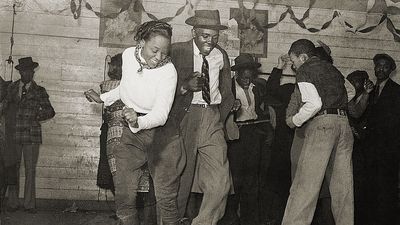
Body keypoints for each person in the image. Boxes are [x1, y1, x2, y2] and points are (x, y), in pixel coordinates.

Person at [84, 21, 182, 225]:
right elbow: (127, 87)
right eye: (155, 50)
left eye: (164, 52)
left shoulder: (169, 71)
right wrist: (103, 98)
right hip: (133, 133)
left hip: (163, 135)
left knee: (166, 198)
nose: (159, 57)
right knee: (124, 195)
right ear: (141, 42)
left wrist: (137, 121)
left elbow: (161, 115)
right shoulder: (129, 56)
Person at [168, 10, 238, 225]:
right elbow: (159, 86)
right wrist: (184, 86)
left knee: (221, 181)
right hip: (184, 117)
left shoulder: (221, 55)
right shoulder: (177, 51)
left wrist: (229, 107)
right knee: (181, 177)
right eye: (205, 36)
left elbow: (226, 88)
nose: (210, 41)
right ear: (193, 32)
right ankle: (172, 221)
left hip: (212, 116)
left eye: (215, 37)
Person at [282, 39, 354, 225]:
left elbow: (314, 104)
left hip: (323, 126)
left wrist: (294, 120)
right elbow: (351, 92)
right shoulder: (333, 69)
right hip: (344, 125)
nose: (293, 66)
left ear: (303, 57)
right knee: (342, 189)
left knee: (304, 185)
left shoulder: (306, 69)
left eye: (293, 61)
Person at [219, 54, 273, 225]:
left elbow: (261, 112)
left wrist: (268, 130)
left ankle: (250, 220)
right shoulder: (228, 91)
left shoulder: (256, 88)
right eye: (244, 77)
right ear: (237, 74)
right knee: (235, 179)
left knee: (252, 179)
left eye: (250, 77)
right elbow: (221, 114)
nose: (247, 80)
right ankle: (230, 218)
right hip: (235, 136)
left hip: (253, 134)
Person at [4, 57, 55, 213]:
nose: (29, 73)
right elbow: (5, 107)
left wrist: (36, 116)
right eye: (26, 71)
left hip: (31, 136)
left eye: (31, 71)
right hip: (13, 135)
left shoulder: (40, 91)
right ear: (20, 72)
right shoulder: (11, 88)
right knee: (13, 168)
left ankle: (29, 204)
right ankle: (12, 203)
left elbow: (50, 111)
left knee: (30, 170)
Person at [363, 53, 400, 225]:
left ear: (391, 70)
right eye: (378, 65)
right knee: (370, 186)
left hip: (388, 150)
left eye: (385, 66)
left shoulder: (397, 91)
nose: (380, 69)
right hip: (370, 149)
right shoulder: (369, 90)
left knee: (387, 188)